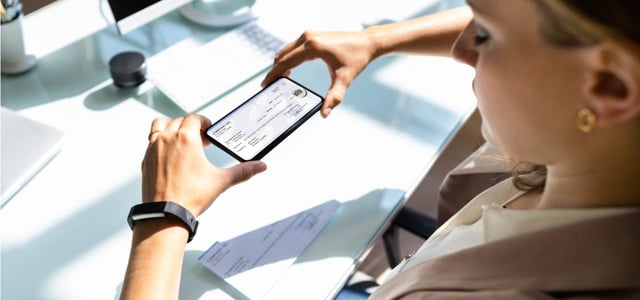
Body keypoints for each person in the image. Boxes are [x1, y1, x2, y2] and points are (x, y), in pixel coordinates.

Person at [120, 0, 640, 299]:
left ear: (612, 87)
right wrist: (380, 39)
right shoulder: (603, 159)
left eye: (485, 33)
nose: (461, 50)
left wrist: (163, 216)